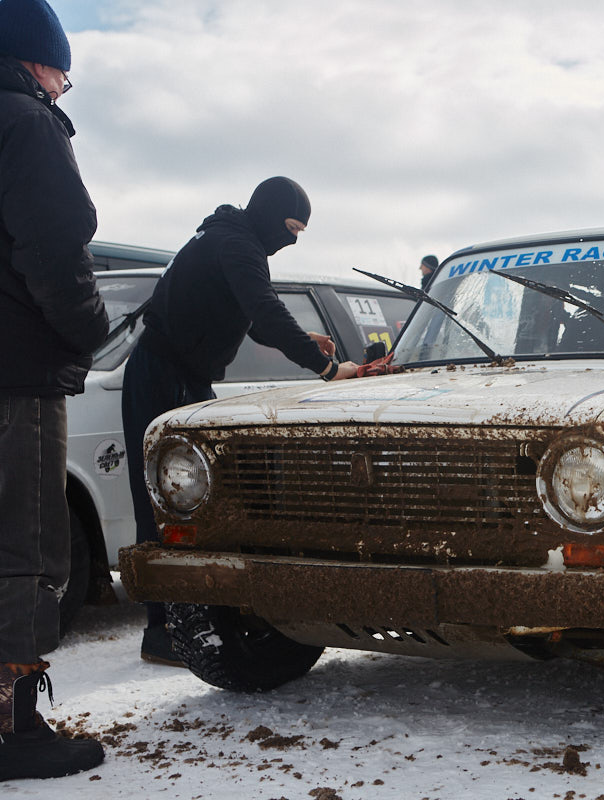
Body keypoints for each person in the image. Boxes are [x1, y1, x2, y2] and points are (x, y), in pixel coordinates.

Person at [121, 177, 359, 666]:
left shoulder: (227, 237)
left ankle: (210, 615)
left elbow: (248, 316)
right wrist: (328, 369)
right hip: (164, 375)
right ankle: (162, 630)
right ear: (271, 215)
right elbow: (264, 311)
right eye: (291, 228)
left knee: (208, 497)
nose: (291, 241)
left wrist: (303, 338)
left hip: (181, 373)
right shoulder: (237, 243)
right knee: (169, 500)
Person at [0, 0, 109, 780]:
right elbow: (56, 249)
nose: (63, 89)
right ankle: (15, 728)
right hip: (17, 377)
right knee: (24, 549)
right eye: (63, 74)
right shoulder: (28, 123)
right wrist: (91, 330)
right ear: (37, 62)